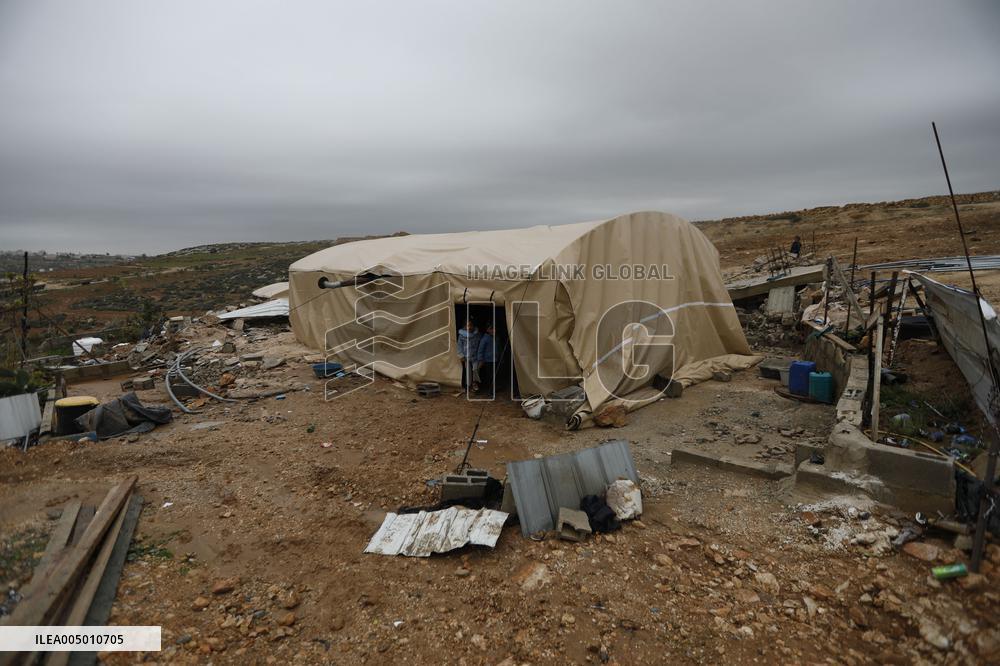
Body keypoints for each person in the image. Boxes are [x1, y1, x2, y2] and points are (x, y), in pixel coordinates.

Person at [457, 319, 480, 392]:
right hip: (466, 356)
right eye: (467, 325)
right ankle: (468, 385)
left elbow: (480, 344)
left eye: (470, 325)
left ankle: (474, 383)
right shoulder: (462, 335)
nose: (469, 327)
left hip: (475, 356)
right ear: (464, 326)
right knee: (468, 372)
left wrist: (480, 355)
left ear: (473, 326)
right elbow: (459, 346)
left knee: (475, 370)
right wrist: (461, 355)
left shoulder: (477, 334)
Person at [477, 324, 497, 396]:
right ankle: (490, 391)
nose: (493, 330)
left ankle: (493, 389)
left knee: (493, 375)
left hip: (494, 359)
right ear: (487, 330)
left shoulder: (494, 338)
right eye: (491, 329)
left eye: (494, 329)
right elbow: (480, 350)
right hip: (488, 360)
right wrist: (480, 360)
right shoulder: (485, 338)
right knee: (489, 376)